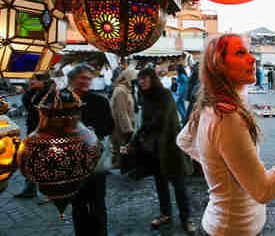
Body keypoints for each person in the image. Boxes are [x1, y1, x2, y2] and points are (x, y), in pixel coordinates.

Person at [176, 34, 275, 236]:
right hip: (232, 228)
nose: (252, 59)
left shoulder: (216, 104)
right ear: (219, 65)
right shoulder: (226, 117)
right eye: (240, 53)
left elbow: (184, 139)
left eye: (249, 52)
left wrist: (225, 168)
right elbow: (264, 191)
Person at [131, 68, 196, 233]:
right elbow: (144, 122)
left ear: (152, 79)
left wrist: (141, 134)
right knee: (160, 183)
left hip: (170, 146)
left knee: (178, 184)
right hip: (154, 149)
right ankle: (165, 214)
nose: (142, 82)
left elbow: (161, 120)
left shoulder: (165, 95)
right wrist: (135, 139)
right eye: (140, 79)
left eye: (145, 78)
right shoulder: (145, 98)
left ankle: (186, 218)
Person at [69, 64, 115, 236]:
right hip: (72, 162)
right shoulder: (61, 100)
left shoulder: (99, 101)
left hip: (95, 159)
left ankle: (101, 233)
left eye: (88, 78)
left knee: (97, 202)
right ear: (72, 79)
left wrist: (93, 132)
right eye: (82, 78)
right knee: (78, 203)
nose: (85, 82)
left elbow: (110, 126)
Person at [14, 72, 54, 199]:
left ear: (43, 81)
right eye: (31, 79)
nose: (31, 81)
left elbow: (43, 109)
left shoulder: (51, 93)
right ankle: (30, 188)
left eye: (34, 79)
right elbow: (27, 104)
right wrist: (29, 91)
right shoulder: (34, 91)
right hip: (32, 129)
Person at [110, 69, 137, 169]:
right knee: (121, 145)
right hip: (121, 126)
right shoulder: (121, 91)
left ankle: (122, 162)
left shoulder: (125, 89)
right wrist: (127, 129)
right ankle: (121, 163)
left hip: (124, 124)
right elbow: (121, 112)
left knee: (122, 145)